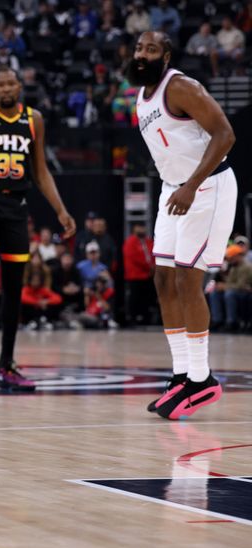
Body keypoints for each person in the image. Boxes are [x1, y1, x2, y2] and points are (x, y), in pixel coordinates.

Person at [129, 31, 236, 420]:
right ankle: (181, 376)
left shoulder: (182, 87)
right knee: (163, 279)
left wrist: (191, 185)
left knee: (188, 279)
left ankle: (202, 379)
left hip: (206, 187)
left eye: (151, 49)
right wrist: (180, 185)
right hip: (173, 189)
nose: (142, 55)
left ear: (166, 55)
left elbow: (226, 134)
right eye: (139, 48)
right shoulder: (141, 96)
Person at [0, 66, 76, 392]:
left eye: (11, 83)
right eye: (0, 84)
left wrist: (61, 210)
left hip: (17, 207)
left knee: (15, 286)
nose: (6, 88)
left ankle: (6, 365)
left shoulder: (34, 120)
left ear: (19, 85)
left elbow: (41, 171)